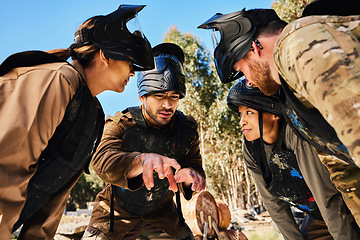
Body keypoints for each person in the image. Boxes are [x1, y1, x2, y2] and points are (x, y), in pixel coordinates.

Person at [0, 4, 154, 240]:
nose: (133, 73)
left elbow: (53, 198)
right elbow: (7, 170)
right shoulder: (57, 80)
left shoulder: (91, 115)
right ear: (105, 55)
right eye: (130, 63)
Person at [198, 3, 360, 225]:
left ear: (254, 49)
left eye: (242, 69)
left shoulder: (298, 45)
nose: (247, 81)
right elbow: (341, 167)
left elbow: (355, 122)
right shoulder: (290, 99)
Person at [81, 43, 206, 240]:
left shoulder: (186, 129)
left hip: (163, 216)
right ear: (142, 97)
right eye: (159, 96)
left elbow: (194, 165)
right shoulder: (121, 124)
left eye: (174, 97)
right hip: (114, 216)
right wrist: (141, 160)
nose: (167, 104)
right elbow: (101, 160)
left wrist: (191, 176)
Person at [226, 79, 360, 240]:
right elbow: (274, 206)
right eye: (241, 114)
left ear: (274, 112)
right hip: (319, 217)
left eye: (249, 112)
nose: (242, 121)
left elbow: (327, 198)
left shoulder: (295, 136)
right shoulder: (252, 151)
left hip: (348, 202)